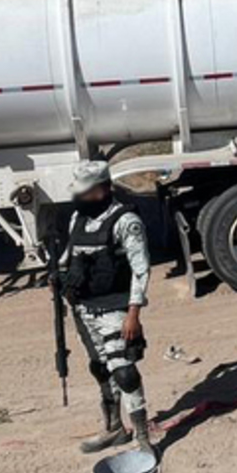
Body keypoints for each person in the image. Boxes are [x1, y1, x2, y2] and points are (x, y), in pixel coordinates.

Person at [59, 160, 154, 456]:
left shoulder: (126, 222)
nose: (78, 197)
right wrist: (60, 277)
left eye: (84, 192)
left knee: (124, 372)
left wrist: (133, 314)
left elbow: (141, 270)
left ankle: (142, 437)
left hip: (116, 309)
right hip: (84, 309)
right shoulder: (78, 218)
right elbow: (69, 256)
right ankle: (114, 429)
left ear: (101, 190)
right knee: (100, 368)